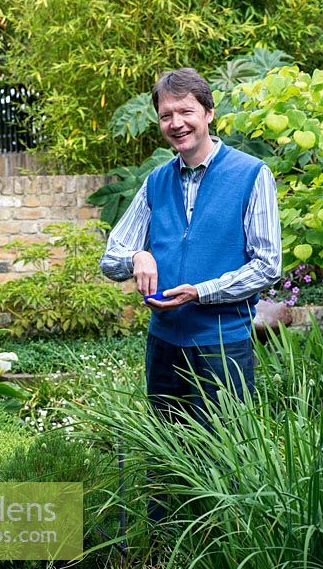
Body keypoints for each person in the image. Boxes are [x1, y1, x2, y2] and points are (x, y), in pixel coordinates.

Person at [100, 67, 281, 424]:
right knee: (168, 458)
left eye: (186, 111)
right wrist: (138, 255)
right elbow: (110, 259)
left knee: (223, 458)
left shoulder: (251, 174)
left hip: (222, 345)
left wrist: (202, 292)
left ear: (209, 113)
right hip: (164, 346)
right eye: (166, 115)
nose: (176, 123)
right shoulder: (155, 181)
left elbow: (267, 265)